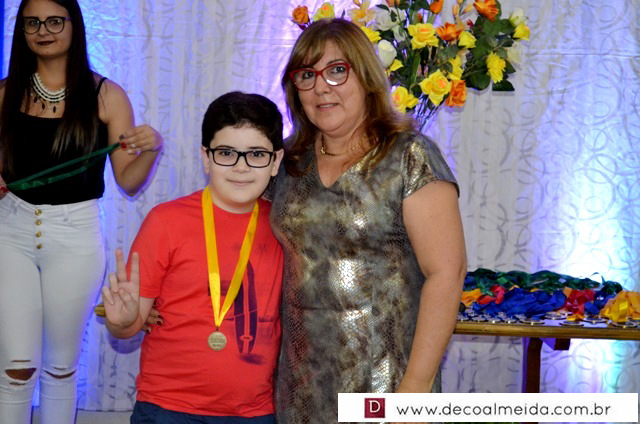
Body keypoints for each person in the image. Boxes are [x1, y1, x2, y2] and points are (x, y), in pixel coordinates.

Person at [271, 18, 467, 422]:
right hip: (298, 390)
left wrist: (415, 389)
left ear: (365, 77)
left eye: (336, 70)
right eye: (307, 75)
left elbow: (447, 273)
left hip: (388, 385)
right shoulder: (285, 163)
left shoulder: (409, 155)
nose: (321, 87)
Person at [0, 0, 163, 422]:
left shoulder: (107, 95)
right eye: (33, 22)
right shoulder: (4, 93)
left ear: (74, 25)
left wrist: (152, 148)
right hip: (10, 233)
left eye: (55, 20)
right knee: (16, 368)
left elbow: (129, 181)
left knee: (60, 366)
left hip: (75, 237)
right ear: (22, 31)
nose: (43, 30)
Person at [102, 91, 284, 423]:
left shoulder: (285, 228)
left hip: (254, 412)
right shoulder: (165, 222)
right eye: (226, 153)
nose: (241, 167)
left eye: (256, 154)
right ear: (205, 157)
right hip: (167, 408)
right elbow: (128, 326)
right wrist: (122, 321)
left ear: (275, 162)